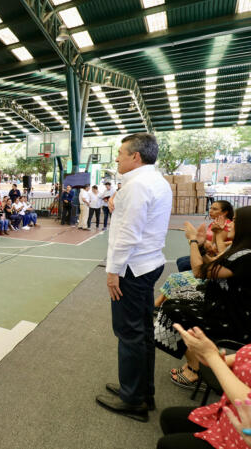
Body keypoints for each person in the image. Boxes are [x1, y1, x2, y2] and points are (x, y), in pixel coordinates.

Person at [96, 132, 172, 422]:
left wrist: (112, 271)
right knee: (142, 332)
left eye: (121, 153)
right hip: (148, 263)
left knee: (129, 334)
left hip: (132, 268)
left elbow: (128, 234)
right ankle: (142, 390)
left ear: (135, 156)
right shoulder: (153, 181)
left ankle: (133, 400)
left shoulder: (138, 186)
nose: (117, 157)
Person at [156, 214, 251, 390]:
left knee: (172, 311)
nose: (229, 224)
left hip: (234, 319)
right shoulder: (242, 251)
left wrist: (193, 241)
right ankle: (196, 363)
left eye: (236, 221)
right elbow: (211, 266)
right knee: (173, 302)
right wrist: (202, 247)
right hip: (225, 306)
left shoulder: (245, 256)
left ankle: (196, 369)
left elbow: (199, 272)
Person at [157, 324, 251, 449]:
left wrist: (211, 356)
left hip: (242, 435)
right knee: (169, 418)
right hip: (228, 415)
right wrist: (213, 357)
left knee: (167, 444)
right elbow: (243, 357)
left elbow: (247, 401)